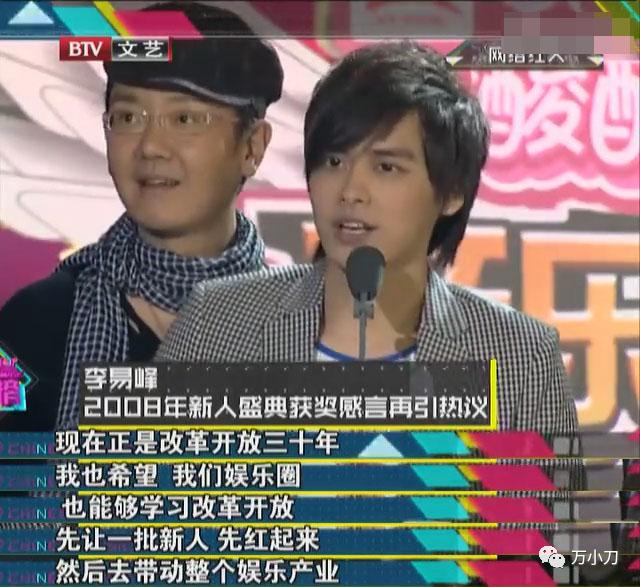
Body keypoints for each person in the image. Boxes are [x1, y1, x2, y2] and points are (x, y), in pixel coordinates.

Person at [157, 40, 578, 433]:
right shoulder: (216, 324)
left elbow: (547, 492)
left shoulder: (522, 359)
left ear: (452, 192)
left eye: (386, 167)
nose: (350, 191)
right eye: (333, 161)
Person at [0, 2, 283, 430]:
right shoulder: (32, 322)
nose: (150, 146)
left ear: (252, 147)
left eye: (184, 118)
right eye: (128, 117)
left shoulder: (305, 328)